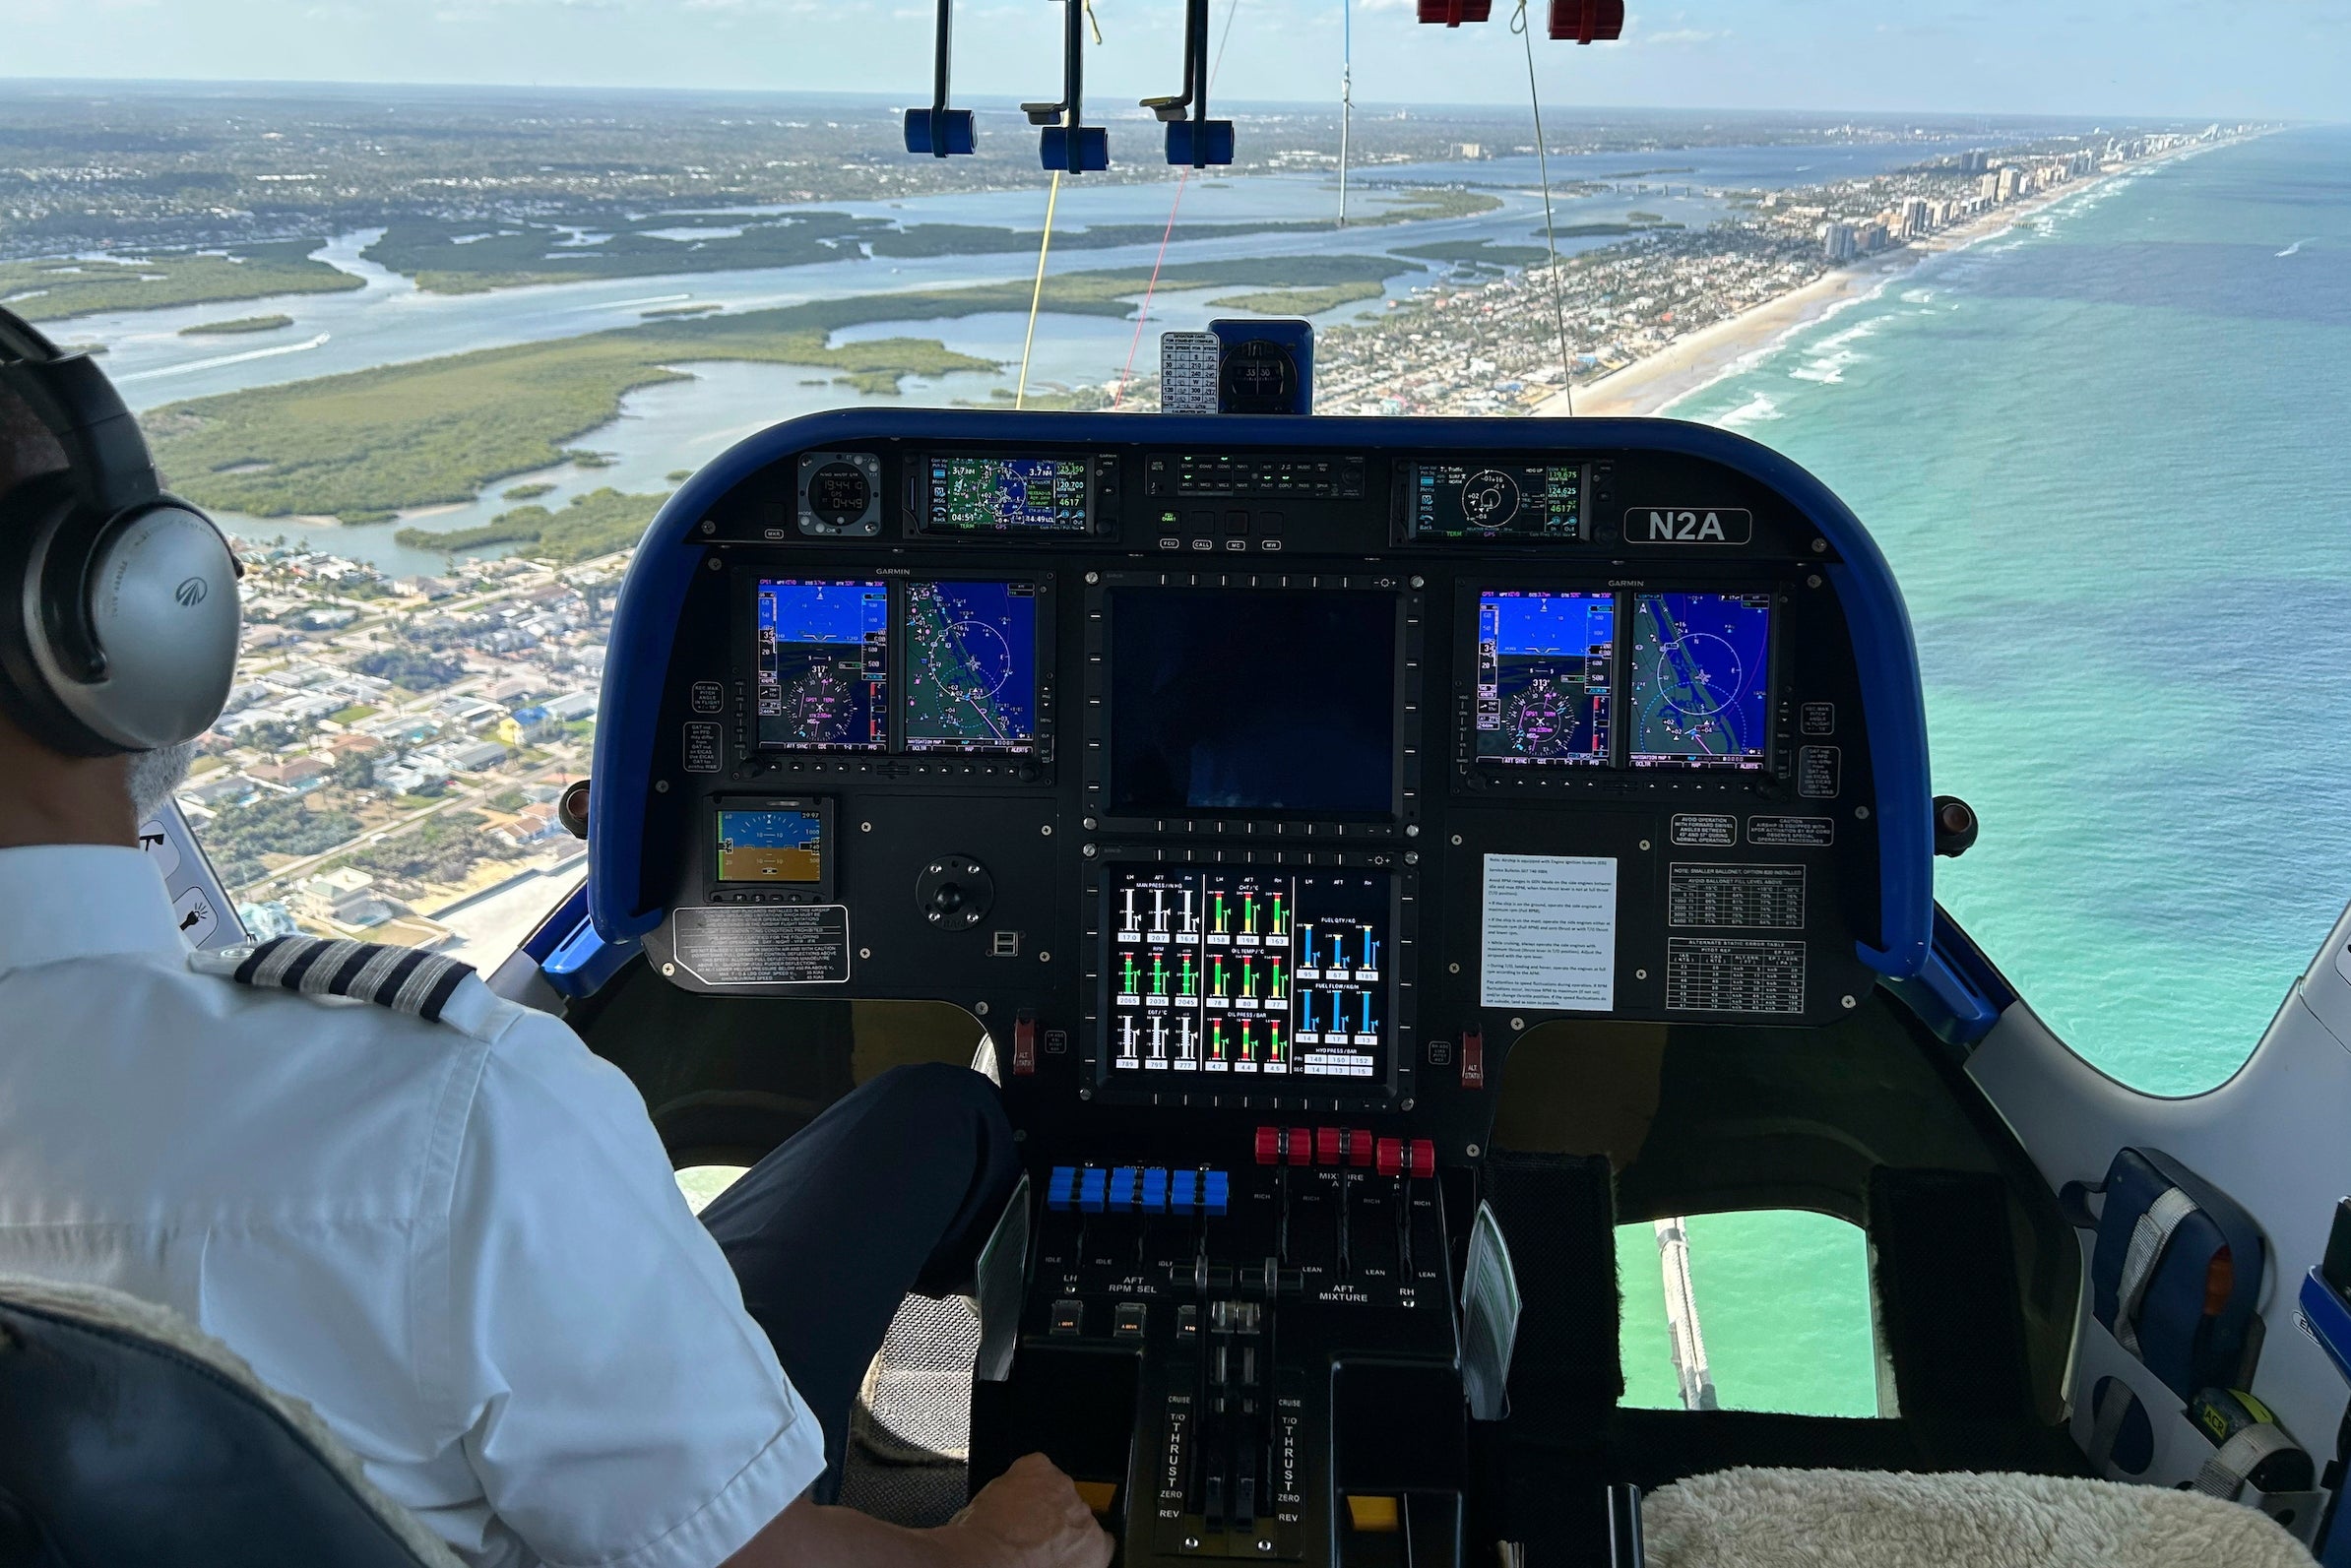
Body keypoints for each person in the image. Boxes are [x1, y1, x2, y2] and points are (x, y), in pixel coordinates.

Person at [0, 309, 1111, 1568]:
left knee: (934, 1114)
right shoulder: (446, 1123)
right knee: (948, 1114)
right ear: (131, 616)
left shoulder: (439, 1135)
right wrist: (995, 1547)